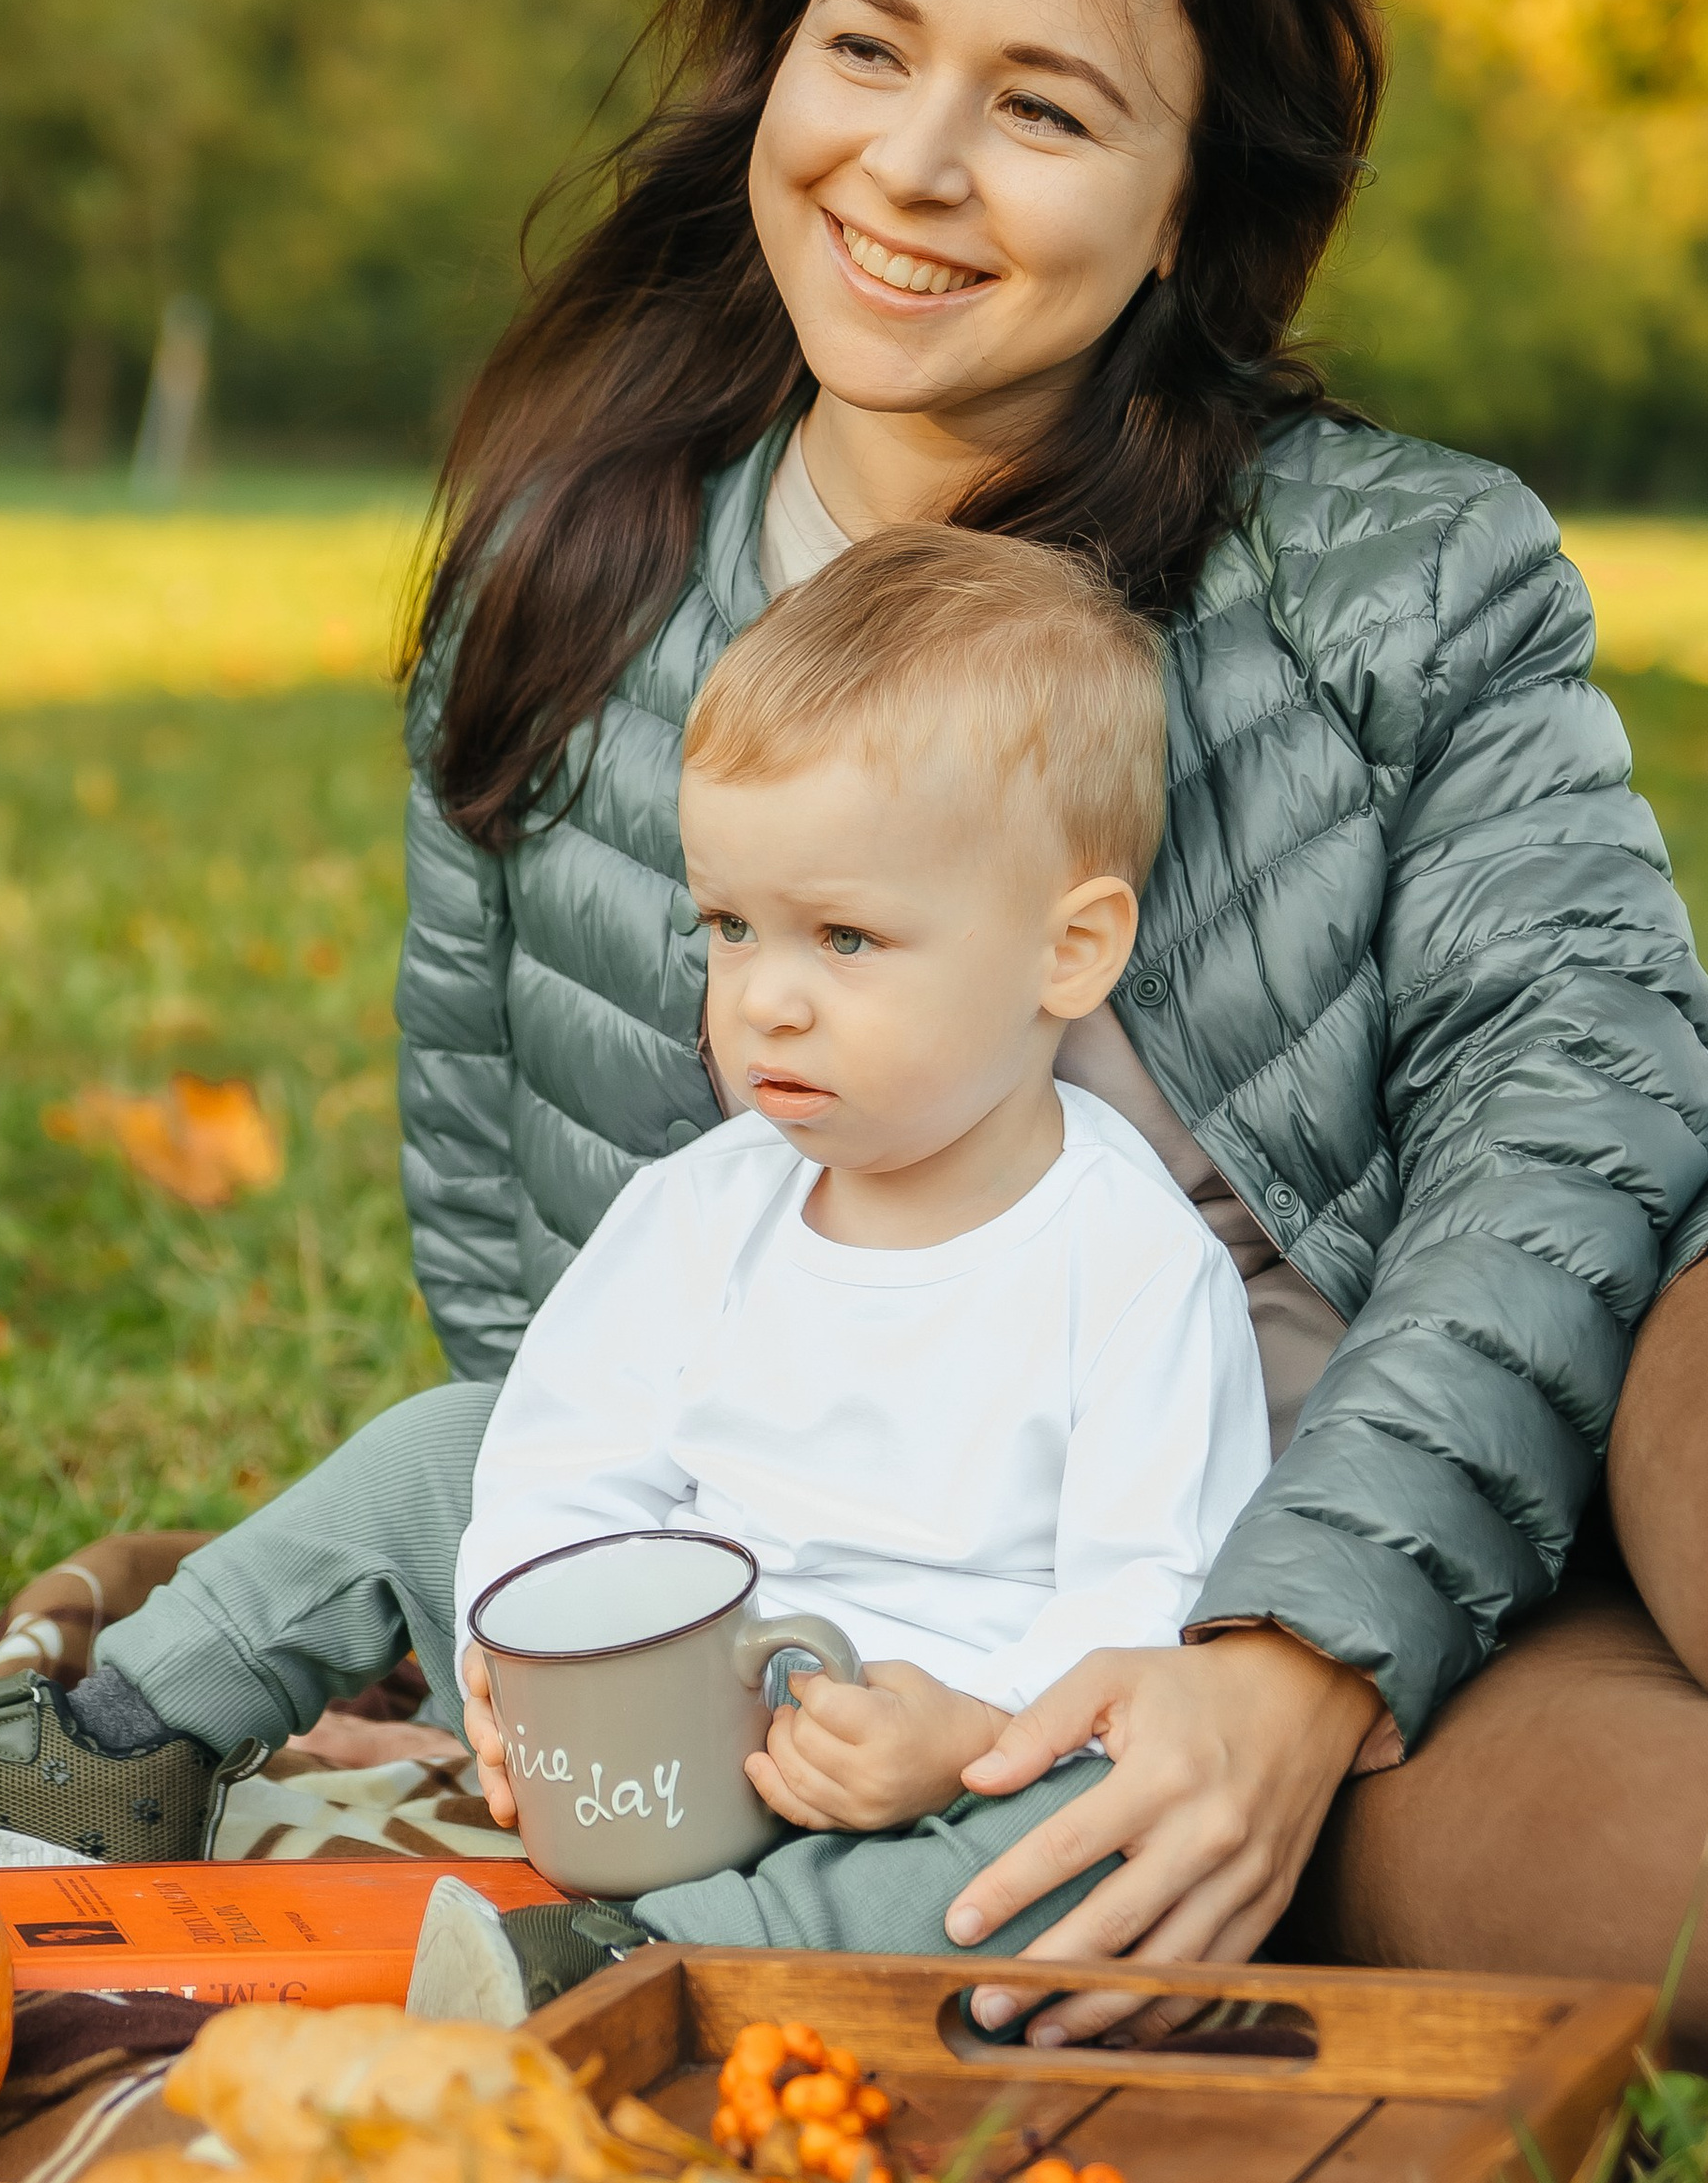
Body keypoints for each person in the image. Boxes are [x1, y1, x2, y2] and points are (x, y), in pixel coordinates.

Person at [0, 0, 1708, 2076]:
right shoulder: (566, 609)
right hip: (1150, 1611)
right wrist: (621, 1668)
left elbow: (1573, 1098)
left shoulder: (1394, 570)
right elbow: (557, 1294)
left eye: (1045, 106)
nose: (908, 165)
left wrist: (1290, 1653)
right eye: (864, 50)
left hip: (1672, 1276)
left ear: (1185, 200)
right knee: (1657, 1900)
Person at [449, 525, 1271, 1951]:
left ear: (1067, 951)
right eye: (730, 925)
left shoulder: (1128, 1262)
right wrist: (517, 1643)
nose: (765, 998)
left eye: (843, 938)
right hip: (674, 1710)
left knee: (1058, 1863)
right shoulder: (707, 1206)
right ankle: (136, 1721)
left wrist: (966, 1734)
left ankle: (649, 1962)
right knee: (430, 1449)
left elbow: (1153, 1601)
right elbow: (567, 1456)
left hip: (939, 1757)